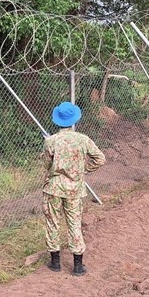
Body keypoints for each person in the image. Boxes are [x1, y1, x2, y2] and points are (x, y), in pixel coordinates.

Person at [42, 102, 106, 276]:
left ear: (57, 120)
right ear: (73, 120)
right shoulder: (83, 139)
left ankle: (55, 262)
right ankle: (78, 265)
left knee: (52, 223)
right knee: (74, 223)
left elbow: (47, 165)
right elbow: (100, 159)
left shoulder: (51, 141)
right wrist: (83, 169)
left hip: (54, 188)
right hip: (74, 189)